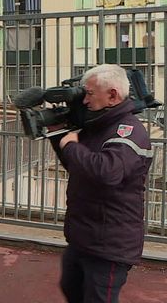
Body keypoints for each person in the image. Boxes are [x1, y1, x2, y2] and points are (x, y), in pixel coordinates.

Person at [48, 64, 153, 303]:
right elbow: (79, 166)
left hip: (109, 244)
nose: (84, 100)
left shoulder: (129, 131)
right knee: (71, 288)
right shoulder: (98, 126)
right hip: (84, 237)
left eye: (90, 93)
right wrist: (58, 135)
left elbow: (107, 173)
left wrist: (72, 145)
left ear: (113, 95)